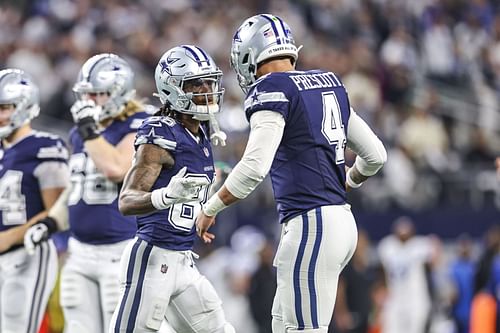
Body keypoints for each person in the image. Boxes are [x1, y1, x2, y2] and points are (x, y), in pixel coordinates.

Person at [196, 14, 387, 333]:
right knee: (283, 325)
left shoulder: (272, 88)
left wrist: (210, 207)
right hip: (338, 222)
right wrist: (349, 180)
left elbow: (254, 167)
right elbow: (375, 156)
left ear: (250, 55)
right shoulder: (329, 82)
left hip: (311, 223)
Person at [109, 45, 234, 333]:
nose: (207, 90)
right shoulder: (161, 133)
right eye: (195, 84)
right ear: (173, 88)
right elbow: (126, 201)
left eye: (209, 82)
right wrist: (167, 196)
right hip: (153, 257)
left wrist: (200, 213)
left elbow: (188, 190)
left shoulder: (201, 130)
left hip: (183, 258)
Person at [24, 53, 150, 333]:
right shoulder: (82, 133)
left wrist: (90, 131)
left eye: (98, 94)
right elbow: (76, 188)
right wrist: (51, 222)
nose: (89, 101)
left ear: (118, 92)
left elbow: (116, 168)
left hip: (120, 251)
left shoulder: (141, 124)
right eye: (86, 94)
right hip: (79, 251)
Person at [0, 68, 69, 333]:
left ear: (24, 105)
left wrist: (9, 237)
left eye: (4, 107)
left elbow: (59, 212)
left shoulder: (44, 147)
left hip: (28, 253)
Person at [377, 217, 440, 333]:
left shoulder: (419, 245)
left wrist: (435, 250)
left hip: (416, 298)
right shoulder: (388, 246)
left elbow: (435, 260)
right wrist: (382, 289)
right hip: (395, 298)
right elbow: (381, 271)